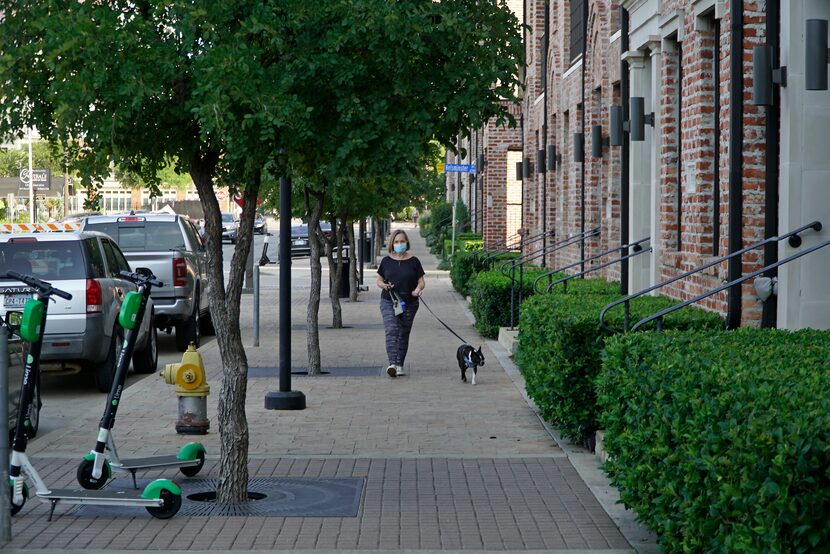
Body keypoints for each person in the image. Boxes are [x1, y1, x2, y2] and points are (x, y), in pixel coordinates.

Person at [376, 229, 426, 378]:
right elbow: (379, 280)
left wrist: (417, 290)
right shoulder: (386, 261)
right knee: (392, 329)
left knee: (404, 333)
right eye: (396, 242)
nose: (399, 244)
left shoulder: (414, 261)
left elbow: (421, 282)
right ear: (392, 243)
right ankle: (392, 364)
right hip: (389, 300)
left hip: (409, 302)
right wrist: (383, 285)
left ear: (407, 242)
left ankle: (399, 365)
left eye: (402, 241)